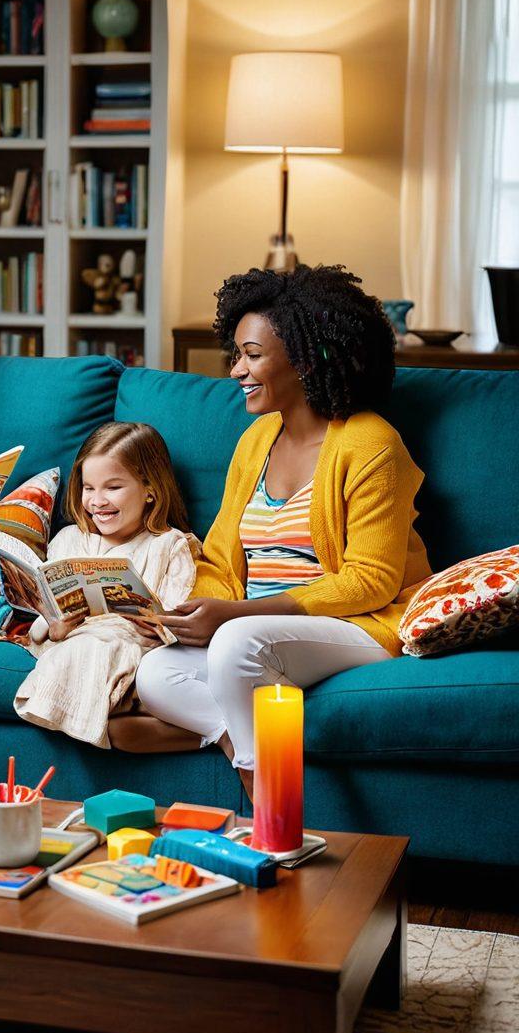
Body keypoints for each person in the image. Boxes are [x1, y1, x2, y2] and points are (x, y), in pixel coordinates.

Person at [129, 264, 432, 800]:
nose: (235, 371)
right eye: (237, 354)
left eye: (252, 355)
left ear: (307, 355)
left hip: (362, 624)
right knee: (156, 672)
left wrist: (239, 615)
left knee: (236, 644)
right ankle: (249, 754)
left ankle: (270, 808)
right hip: (255, 632)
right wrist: (191, 615)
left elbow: (372, 580)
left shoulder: (370, 444)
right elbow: (221, 562)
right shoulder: (255, 441)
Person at [13, 422, 199, 749]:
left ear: (150, 489)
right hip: (72, 639)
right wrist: (54, 627)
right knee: (74, 649)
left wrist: (158, 626)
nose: (97, 501)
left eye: (112, 488)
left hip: (134, 645)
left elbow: (179, 616)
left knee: (109, 651)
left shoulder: (170, 545)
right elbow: (46, 615)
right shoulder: (69, 539)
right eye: (89, 488)